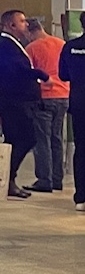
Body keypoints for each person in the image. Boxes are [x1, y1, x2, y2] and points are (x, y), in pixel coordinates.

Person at [0, 10, 46, 199]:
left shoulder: (15, 45)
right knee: (24, 139)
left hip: (18, 101)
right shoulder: (4, 46)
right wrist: (40, 75)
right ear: (11, 25)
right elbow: (15, 70)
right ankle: (7, 179)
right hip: (13, 102)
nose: (26, 24)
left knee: (17, 141)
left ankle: (8, 180)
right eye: (21, 21)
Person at [24, 18, 66, 194]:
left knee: (42, 140)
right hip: (63, 95)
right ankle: (57, 179)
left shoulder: (32, 48)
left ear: (30, 32)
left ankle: (44, 180)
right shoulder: (61, 44)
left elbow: (28, 73)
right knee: (56, 138)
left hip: (43, 97)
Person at [57, 31, 85, 211]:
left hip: (79, 103)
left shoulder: (70, 46)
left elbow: (63, 75)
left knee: (81, 148)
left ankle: (81, 197)